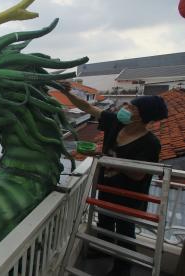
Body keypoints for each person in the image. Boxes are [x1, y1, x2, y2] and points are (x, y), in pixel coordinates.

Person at [58, 82, 168, 276]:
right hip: (106, 187)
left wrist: (110, 160)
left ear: (142, 117)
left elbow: (138, 174)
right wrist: (67, 93)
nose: (125, 109)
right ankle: (101, 250)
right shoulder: (116, 123)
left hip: (129, 197)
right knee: (105, 222)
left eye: (132, 108)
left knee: (125, 232)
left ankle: (122, 269)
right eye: (128, 105)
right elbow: (88, 107)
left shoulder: (151, 143)